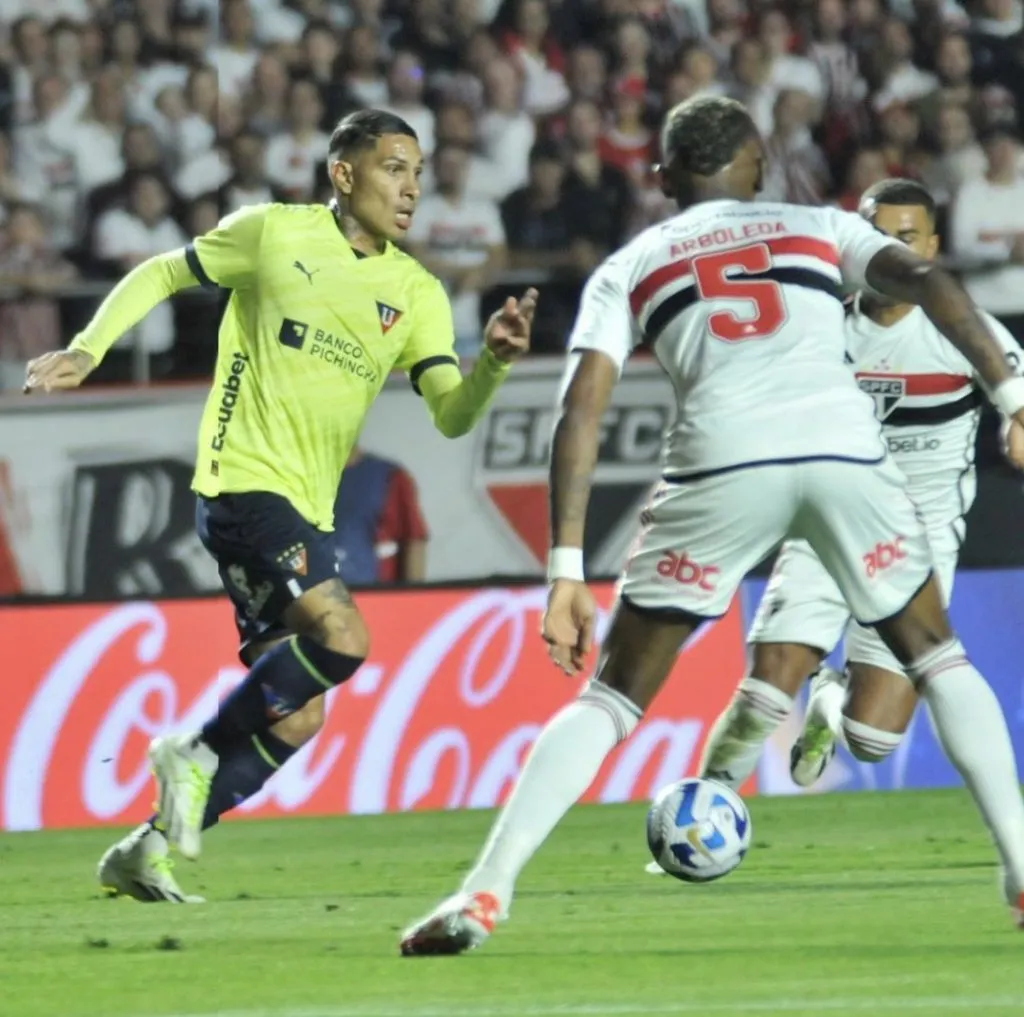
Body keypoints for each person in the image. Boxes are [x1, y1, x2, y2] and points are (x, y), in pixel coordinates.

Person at [400, 96, 1024, 955]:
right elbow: (929, 282)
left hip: (721, 463)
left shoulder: (630, 263)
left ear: (659, 179)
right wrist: (1013, 396)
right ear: (760, 167)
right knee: (937, 654)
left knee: (613, 696)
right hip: (845, 454)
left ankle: (482, 894)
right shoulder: (819, 224)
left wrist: (566, 570)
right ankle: (1022, 872)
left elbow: (579, 412)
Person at [23, 109, 537, 903]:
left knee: (299, 717)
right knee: (344, 635)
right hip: (242, 482)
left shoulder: (417, 292)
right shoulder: (272, 234)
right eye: (394, 167)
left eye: (419, 173)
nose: (411, 188)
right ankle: (192, 752)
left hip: (307, 509)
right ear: (343, 173)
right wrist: (89, 346)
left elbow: (450, 412)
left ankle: (144, 847)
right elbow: (163, 271)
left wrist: (493, 367)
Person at [648, 179, 1024, 886]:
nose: (890, 249)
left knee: (873, 738)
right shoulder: (814, 326)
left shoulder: (963, 328)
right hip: (825, 525)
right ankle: (697, 816)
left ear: (933, 248)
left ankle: (829, 699)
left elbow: (1017, 394)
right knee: (763, 694)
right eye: (877, 234)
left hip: (918, 543)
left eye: (906, 238)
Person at [333, 445, 429, 585]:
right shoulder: (297, 480)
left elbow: (414, 541)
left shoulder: (390, 477)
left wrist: (414, 600)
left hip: (374, 594)